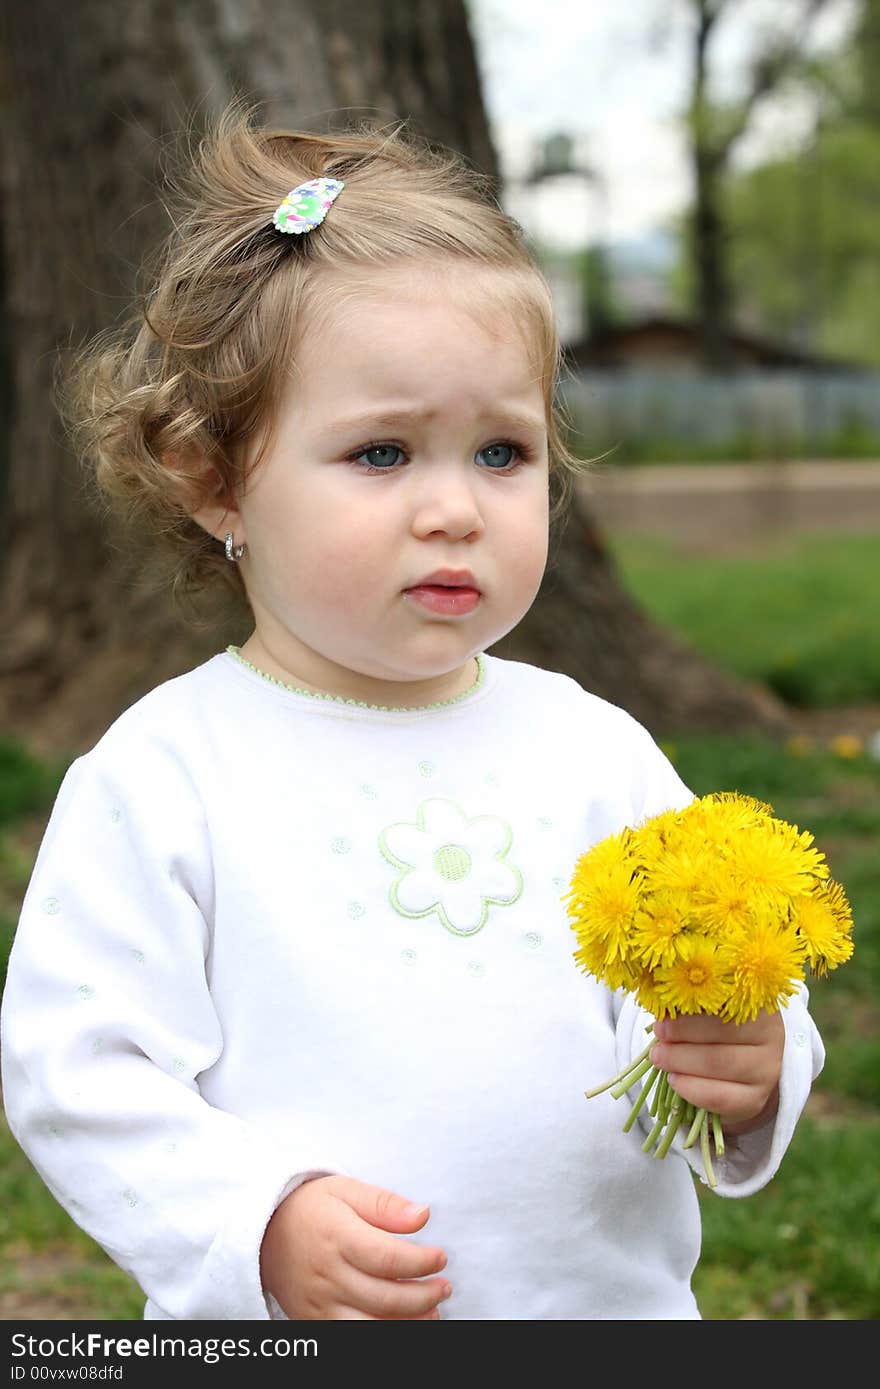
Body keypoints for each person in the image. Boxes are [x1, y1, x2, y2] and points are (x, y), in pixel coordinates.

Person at [0, 102, 823, 1323]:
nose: (455, 509)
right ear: (214, 477)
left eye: (502, 453)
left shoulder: (594, 748)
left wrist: (752, 1064)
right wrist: (253, 1219)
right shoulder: (167, 772)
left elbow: (721, 983)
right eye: (383, 454)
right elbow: (82, 1071)